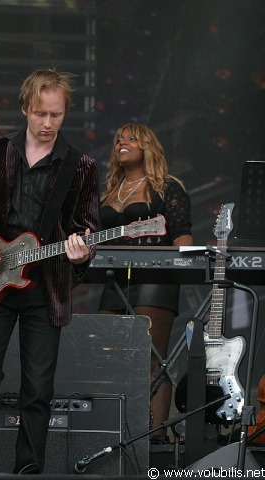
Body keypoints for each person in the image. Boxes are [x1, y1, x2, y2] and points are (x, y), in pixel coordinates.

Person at [0, 68, 99, 473]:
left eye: (56, 115)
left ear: (65, 113)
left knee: (38, 390)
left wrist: (82, 254)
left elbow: (88, 229)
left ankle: (29, 471)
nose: (48, 124)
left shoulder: (80, 166)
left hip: (45, 289)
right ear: (24, 110)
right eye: (40, 114)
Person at [98, 123, 193, 443]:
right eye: (118, 139)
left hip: (157, 276)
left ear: (147, 146)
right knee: (105, 352)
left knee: (151, 357)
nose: (121, 142)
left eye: (131, 138)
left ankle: (154, 435)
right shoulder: (109, 191)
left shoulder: (166, 187)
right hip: (114, 279)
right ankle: (113, 430)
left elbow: (182, 238)